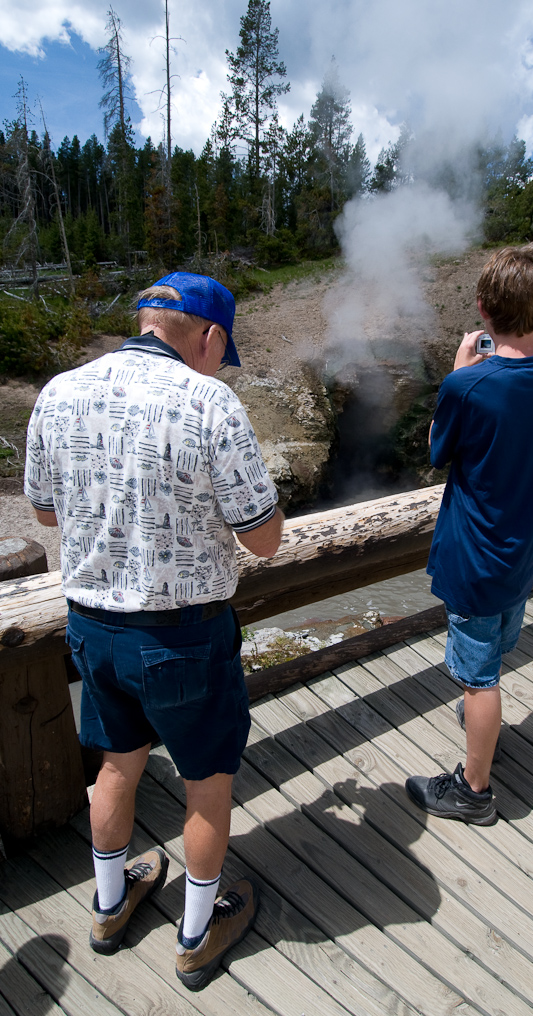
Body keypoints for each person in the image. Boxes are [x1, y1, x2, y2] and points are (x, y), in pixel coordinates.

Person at [24, 272, 284, 990]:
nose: (216, 363)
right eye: (218, 351)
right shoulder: (210, 402)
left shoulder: (58, 391)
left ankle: (110, 908)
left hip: (91, 631)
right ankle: (198, 934)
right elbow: (263, 540)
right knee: (207, 784)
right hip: (183, 639)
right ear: (209, 335)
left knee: (115, 765)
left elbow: (47, 514)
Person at [405, 246, 533, 825]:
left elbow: (438, 451)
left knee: (477, 678)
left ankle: (474, 791)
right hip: (526, 545)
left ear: (483, 308)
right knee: (495, 653)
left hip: (475, 555)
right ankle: (484, 726)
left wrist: (460, 373)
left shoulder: (471, 385)